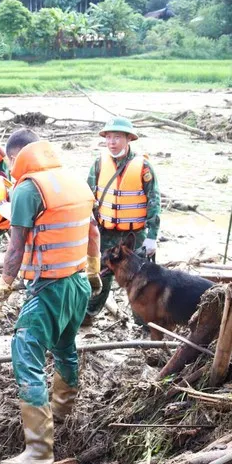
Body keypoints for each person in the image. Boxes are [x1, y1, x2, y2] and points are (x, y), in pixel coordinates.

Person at [0, 129, 101, 464]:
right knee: (65, 346)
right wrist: (92, 271)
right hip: (77, 283)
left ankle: (39, 449)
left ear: (13, 157)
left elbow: (16, 247)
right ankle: (61, 412)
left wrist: (1, 294)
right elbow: (93, 231)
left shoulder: (28, 187)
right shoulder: (74, 179)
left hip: (48, 288)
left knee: (26, 354)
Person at [84, 117, 161, 325]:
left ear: (128, 139)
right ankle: (89, 314)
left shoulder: (144, 167)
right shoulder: (99, 164)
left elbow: (154, 201)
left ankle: (144, 321)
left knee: (139, 279)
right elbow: (87, 196)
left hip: (133, 235)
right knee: (100, 274)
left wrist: (152, 237)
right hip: (105, 232)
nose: (112, 142)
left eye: (117, 137)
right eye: (108, 137)